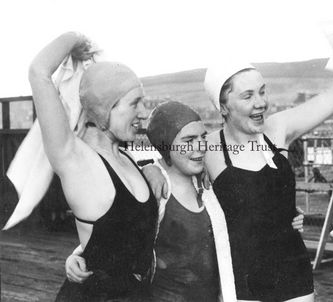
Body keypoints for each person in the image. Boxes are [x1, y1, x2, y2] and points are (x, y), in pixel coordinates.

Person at [202, 61, 333, 302]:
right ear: (223, 106)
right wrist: (151, 170)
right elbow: (169, 175)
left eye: (262, 91)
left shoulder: (277, 130)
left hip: (294, 276)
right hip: (244, 283)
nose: (261, 102)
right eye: (248, 96)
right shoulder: (208, 148)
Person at [29, 32, 158, 301]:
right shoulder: (74, 158)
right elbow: (39, 71)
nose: (144, 112)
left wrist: (154, 167)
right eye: (135, 103)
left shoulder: (129, 158)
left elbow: (119, 235)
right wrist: (76, 38)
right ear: (104, 108)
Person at [66, 101, 238, 302]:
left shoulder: (209, 185)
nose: (200, 146)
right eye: (188, 140)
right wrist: (78, 255)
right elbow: (115, 232)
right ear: (165, 144)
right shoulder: (154, 190)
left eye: (202, 137)